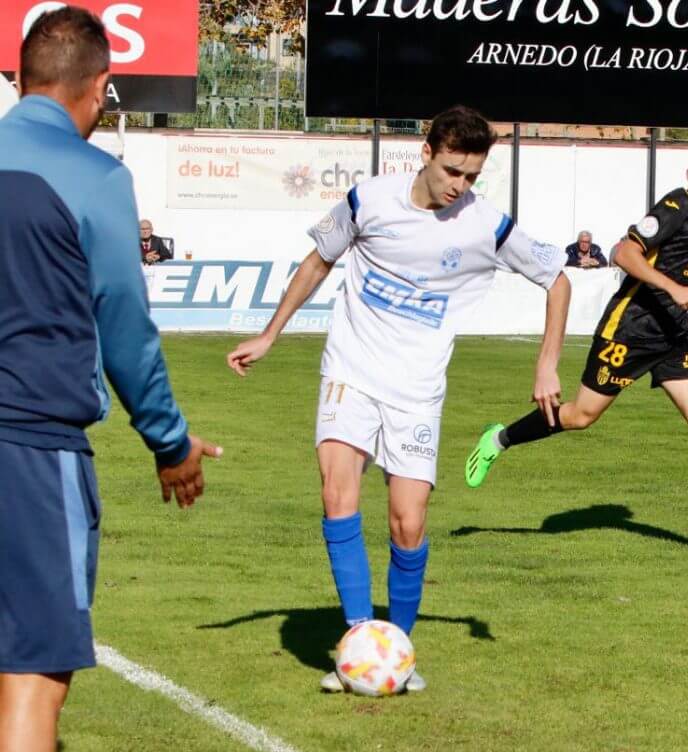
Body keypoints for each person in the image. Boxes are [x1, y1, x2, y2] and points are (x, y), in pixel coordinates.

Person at [226, 106, 570, 693]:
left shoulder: (485, 224)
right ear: (427, 152)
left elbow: (557, 279)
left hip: (416, 390)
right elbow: (318, 262)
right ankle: (362, 640)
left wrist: (546, 362)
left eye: (471, 176)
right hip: (351, 370)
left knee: (407, 524)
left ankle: (398, 649)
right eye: (453, 171)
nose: (460, 186)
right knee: (337, 490)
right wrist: (270, 333)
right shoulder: (370, 201)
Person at [0, 9, 219, 752]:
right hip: (30, 442)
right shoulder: (95, 175)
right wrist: (169, 441)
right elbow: (124, 326)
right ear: (96, 90)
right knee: (32, 673)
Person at [465, 143, 688, 549]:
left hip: (673, 338)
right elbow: (624, 252)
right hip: (629, 332)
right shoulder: (673, 211)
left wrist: (683, 298)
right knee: (581, 416)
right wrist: (673, 287)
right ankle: (499, 439)